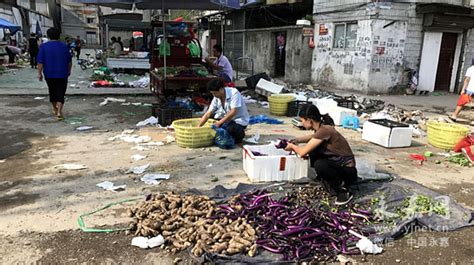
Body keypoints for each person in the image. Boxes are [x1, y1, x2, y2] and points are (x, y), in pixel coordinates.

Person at [284, 105, 358, 205]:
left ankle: (342, 190)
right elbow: (314, 137)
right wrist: (297, 140)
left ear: (310, 120)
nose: (302, 123)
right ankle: (324, 178)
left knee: (320, 164)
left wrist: (292, 146)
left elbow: (302, 152)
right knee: (314, 149)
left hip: (348, 172)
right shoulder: (322, 127)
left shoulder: (324, 130)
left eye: (302, 120)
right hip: (341, 167)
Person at [198, 79, 249, 144]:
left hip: (238, 121)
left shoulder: (234, 93)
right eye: (212, 93)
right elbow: (208, 113)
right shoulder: (216, 97)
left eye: (215, 93)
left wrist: (219, 123)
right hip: (225, 120)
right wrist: (198, 127)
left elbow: (233, 112)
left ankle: (240, 135)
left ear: (221, 89)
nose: (214, 95)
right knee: (212, 125)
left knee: (230, 129)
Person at [37, 28, 72, 121]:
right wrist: (69, 71)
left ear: (48, 36)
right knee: (61, 92)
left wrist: (39, 73)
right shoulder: (64, 46)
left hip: (49, 73)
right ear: (59, 36)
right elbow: (69, 61)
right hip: (62, 73)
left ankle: (55, 109)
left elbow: (40, 62)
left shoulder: (43, 47)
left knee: (52, 91)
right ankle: (60, 111)